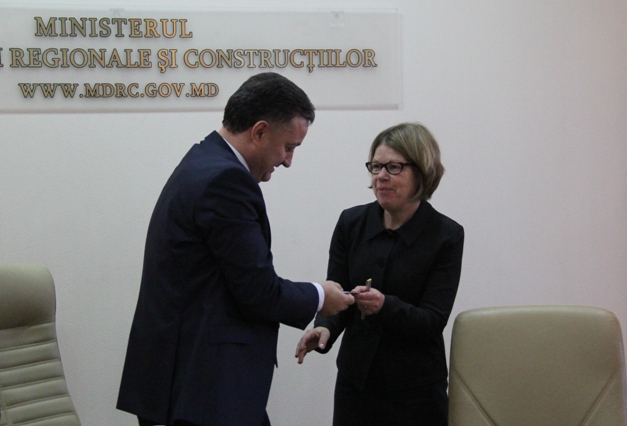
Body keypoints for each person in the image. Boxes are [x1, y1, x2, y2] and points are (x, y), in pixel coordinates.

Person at [117, 72, 354, 426]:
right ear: (259, 132)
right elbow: (258, 292)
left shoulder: (201, 161)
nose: (288, 160)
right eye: (289, 146)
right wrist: (321, 297)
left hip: (189, 382)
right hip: (201, 391)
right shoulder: (226, 181)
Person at [295, 122, 464, 425]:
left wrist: (385, 306)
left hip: (416, 392)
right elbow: (340, 294)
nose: (381, 176)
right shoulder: (351, 223)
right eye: (375, 166)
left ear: (422, 171)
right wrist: (325, 328)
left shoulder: (446, 235)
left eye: (394, 167)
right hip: (356, 385)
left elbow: (432, 320)